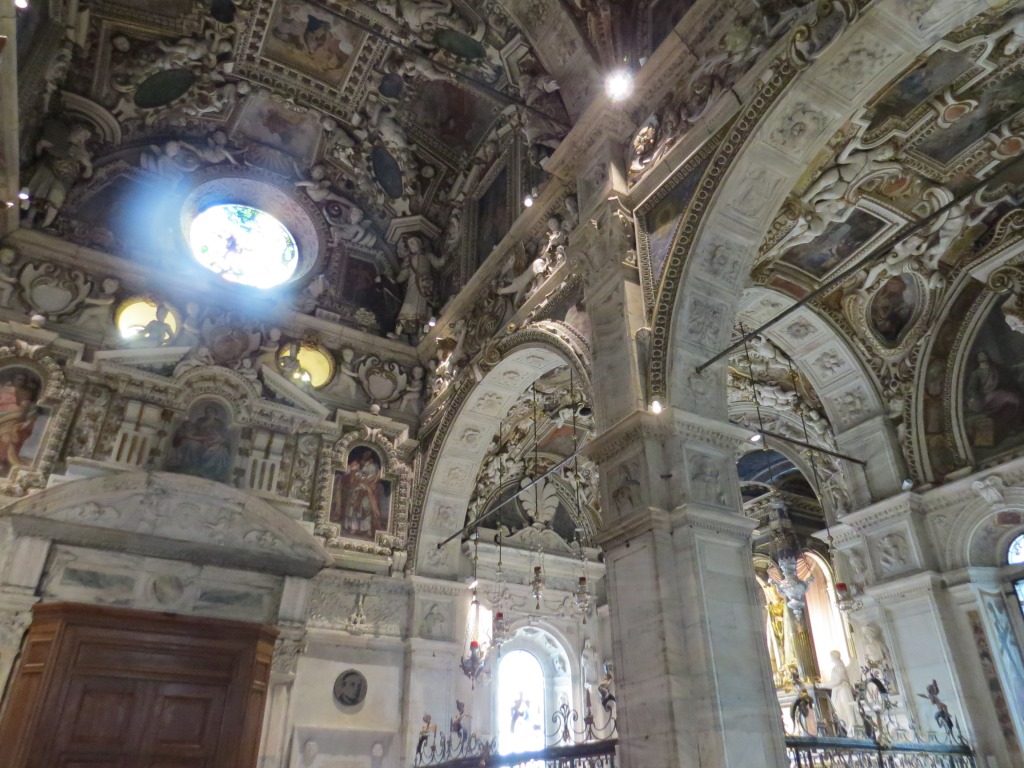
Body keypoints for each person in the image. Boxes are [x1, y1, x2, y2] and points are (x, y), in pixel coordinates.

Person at [0, 372, 40, 473]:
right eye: (19, 379)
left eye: (23, 380)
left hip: (14, 419)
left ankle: (6, 460)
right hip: (3, 415)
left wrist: (29, 418)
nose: (21, 382)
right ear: (13, 380)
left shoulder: (25, 393)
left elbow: (29, 407)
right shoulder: (4, 390)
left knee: (8, 438)